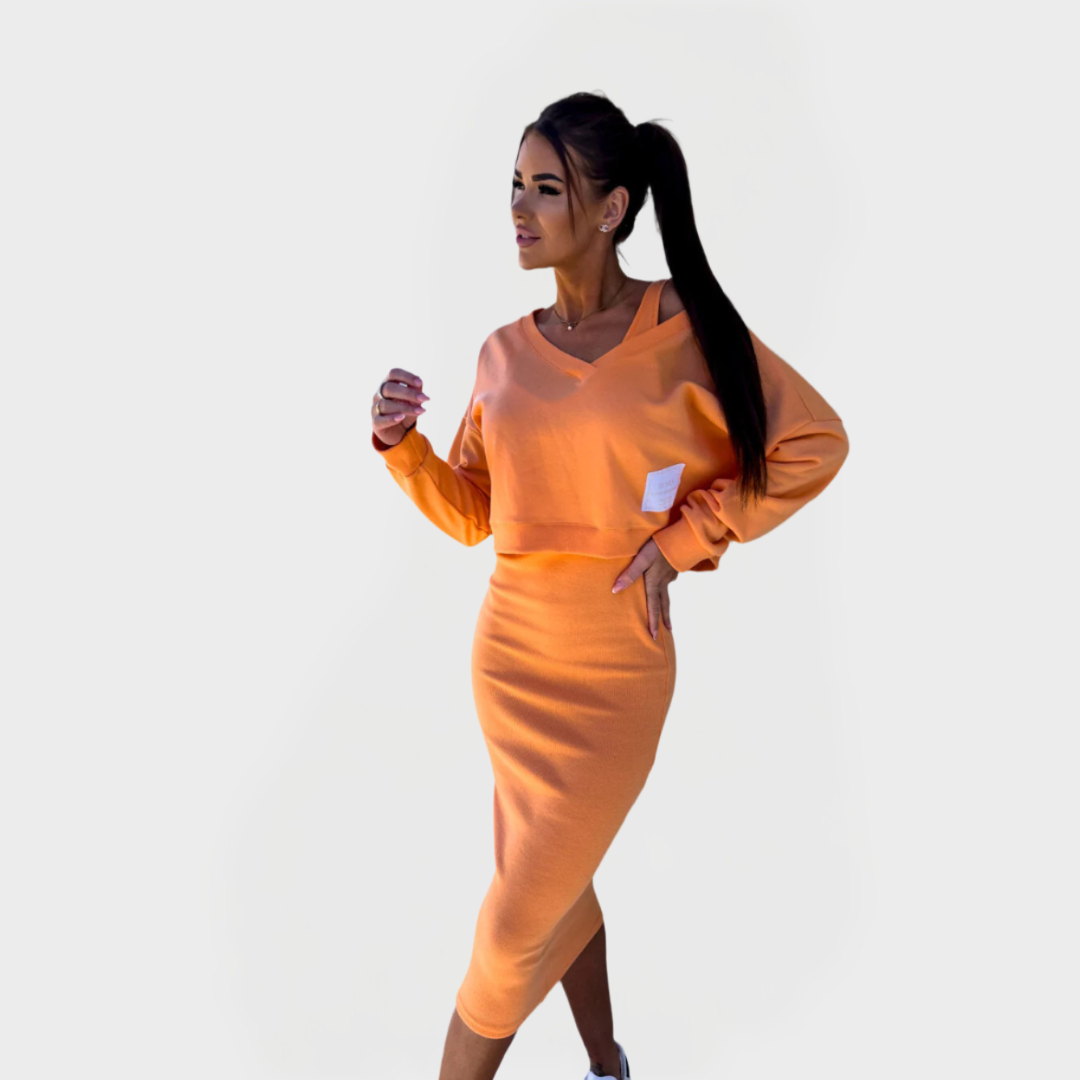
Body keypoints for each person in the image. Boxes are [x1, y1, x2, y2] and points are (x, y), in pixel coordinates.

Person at [370, 91, 850, 1080]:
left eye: (547, 188)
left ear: (613, 208)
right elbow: (474, 513)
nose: (519, 208)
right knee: (552, 884)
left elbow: (815, 441)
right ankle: (606, 1066)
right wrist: (401, 446)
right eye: (515, 184)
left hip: (617, 671)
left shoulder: (684, 326)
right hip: (511, 660)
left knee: (511, 930)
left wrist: (687, 537)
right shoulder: (503, 353)